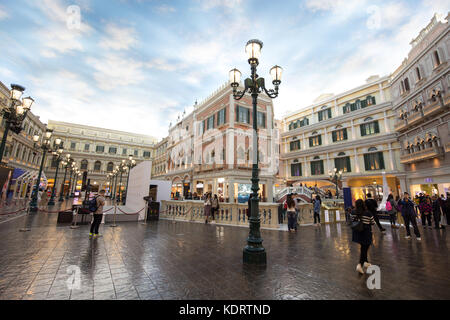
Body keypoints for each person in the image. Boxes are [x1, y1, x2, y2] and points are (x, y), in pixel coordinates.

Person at [351, 199, 375, 274]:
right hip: (366, 232)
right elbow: (373, 222)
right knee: (364, 248)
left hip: (357, 232)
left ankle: (366, 262)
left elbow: (352, 220)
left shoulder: (353, 212)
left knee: (363, 247)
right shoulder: (368, 213)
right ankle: (360, 264)